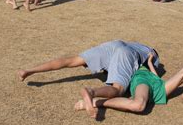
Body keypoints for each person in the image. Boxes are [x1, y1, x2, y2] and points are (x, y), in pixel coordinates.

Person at [18, 40, 160, 107]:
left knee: (71, 60)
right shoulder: (151, 57)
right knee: (118, 89)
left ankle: (29, 70)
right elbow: (155, 80)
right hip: (126, 53)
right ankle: (92, 92)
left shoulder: (136, 45)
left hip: (113, 44)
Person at [75, 53, 183, 118]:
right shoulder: (129, 67)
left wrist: (150, 62)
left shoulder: (147, 65)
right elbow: (118, 73)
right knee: (138, 105)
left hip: (159, 85)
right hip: (142, 82)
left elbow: (155, 75)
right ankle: (97, 102)